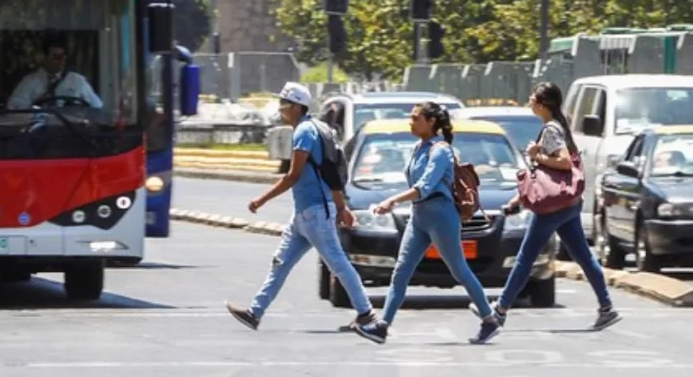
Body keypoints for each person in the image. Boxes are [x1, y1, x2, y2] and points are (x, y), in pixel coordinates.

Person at [225, 82, 378, 337]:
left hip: (315, 212)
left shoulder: (305, 132)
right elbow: (329, 171)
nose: (281, 108)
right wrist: (341, 207)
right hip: (305, 214)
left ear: (297, 106)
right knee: (280, 262)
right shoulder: (314, 128)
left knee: (338, 263)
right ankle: (255, 312)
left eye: (284, 104)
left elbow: (293, 175)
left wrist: (261, 200)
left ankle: (366, 314)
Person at [469, 82, 621, 330]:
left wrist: (535, 154)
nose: (529, 100)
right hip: (567, 203)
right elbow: (544, 176)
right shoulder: (558, 126)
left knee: (525, 258)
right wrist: (517, 201)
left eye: (533, 98)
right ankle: (606, 307)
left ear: (543, 104)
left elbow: (562, 164)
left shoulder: (551, 130)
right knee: (583, 256)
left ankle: (499, 310)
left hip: (553, 208)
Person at [353, 102, 503, 345]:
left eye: (415, 118)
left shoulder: (441, 151)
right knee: (401, 271)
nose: (410, 122)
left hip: (441, 215)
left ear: (431, 121)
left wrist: (392, 200)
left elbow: (424, 186)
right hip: (419, 216)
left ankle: (489, 319)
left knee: (459, 270)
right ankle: (382, 326)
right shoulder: (417, 147)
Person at [7, 37, 102, 109]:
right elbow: (13, 107)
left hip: (71, 131)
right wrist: (33, 106)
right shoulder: (29, 82)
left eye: (63, 57)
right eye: (56, 57)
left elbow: (97, 106)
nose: (61, 61)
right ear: (44, 57)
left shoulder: (77, 81)